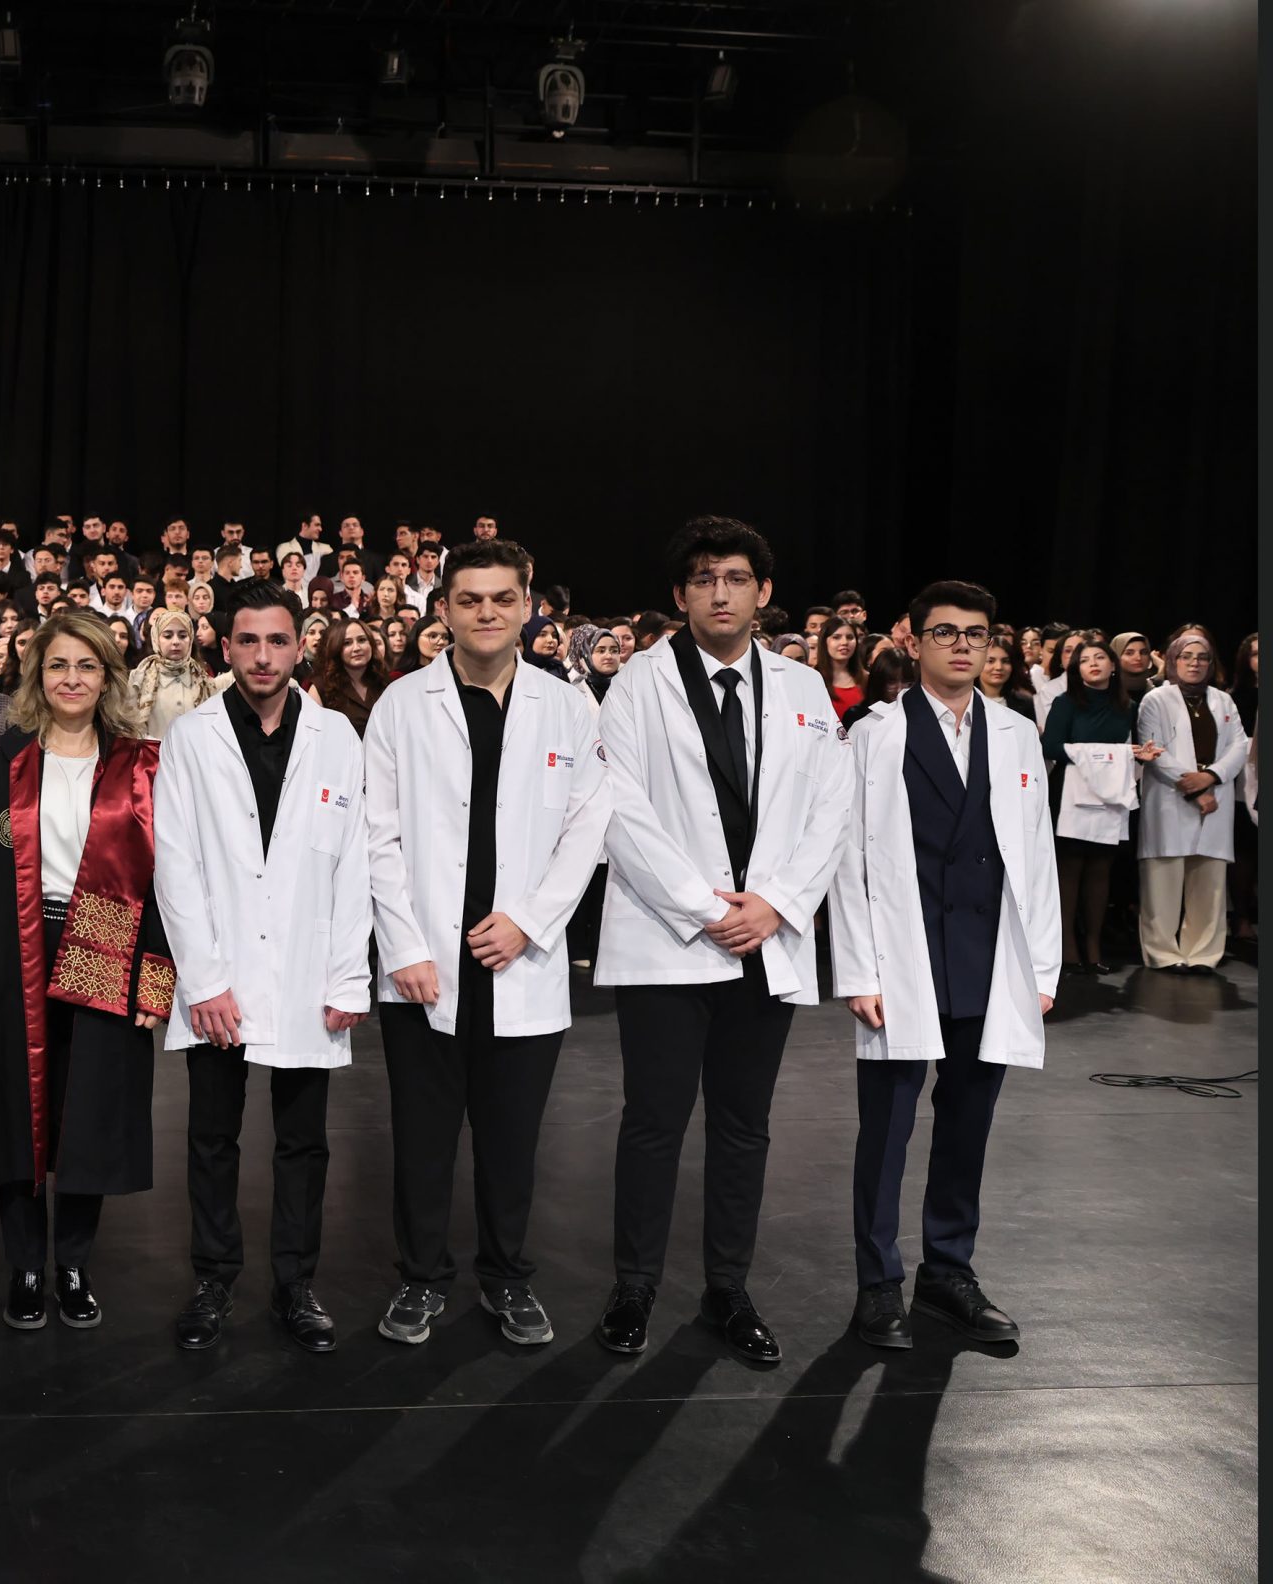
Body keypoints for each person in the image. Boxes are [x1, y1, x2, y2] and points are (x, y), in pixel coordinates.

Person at [593, 517, 852, 1364]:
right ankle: (634, 1287)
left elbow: (831, 808)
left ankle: (728, 1288)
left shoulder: (802, 687)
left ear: (763, 592)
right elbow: (618, 807)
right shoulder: (637, 684)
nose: (720, 592)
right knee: (653, 1122)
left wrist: (775, 904)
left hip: (763, 937)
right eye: (703, 579)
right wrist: (705, 907)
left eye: (736, 578)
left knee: (744, 1126)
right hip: (670, 936)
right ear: (680, 594)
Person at [362, 540, 612, 1349]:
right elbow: (377, 835)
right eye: (469, 599)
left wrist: (530, 922)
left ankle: (507, 1276)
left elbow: (587, 828)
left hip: (521, 957)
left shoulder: (567, 706)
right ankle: (421, 1278)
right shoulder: (402, 704)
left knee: (512, 1140)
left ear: (528, 606)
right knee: (422, 1140)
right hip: (425, 963)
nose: (487, 612)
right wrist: (404, 946)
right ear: (443, 609)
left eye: (503, 598)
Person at [830, 581, 1060, 1349]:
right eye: (946, 632)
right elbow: (850, 860)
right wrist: (858, 970)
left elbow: (1037, 854)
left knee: (967, 1125)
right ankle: (877, 1286)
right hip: (904, 954)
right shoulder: (873, 733)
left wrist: (1042, 969)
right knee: (887, 1130)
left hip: (988, 955)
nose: (963, 646)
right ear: (914, 641)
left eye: (976, 634)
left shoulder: (1016, 732)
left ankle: (947, 1273)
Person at [0, 608, 175, 1331]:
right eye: (58, 665)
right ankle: (25, 1266)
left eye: (86, 666)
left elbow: (167, 880)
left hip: (105, 937)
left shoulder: (142, 764)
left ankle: (72, 1263)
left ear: (108, 677)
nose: (72, 679)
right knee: (15, 1109)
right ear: (37, 675)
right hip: (16, 944)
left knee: (88, 1113)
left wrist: (154, 976)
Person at [153, 582, 372, 1353]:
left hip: (310, 968)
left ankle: (295, 1285)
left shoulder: (337, 736)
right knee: (212, 1137)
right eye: (248, 641)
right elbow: (174, 863)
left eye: (278, 640)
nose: (263, 656)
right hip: (219, 972)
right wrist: (204, 980)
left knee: (303, 1141)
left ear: (299, 646)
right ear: (226, 647)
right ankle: (214, 1280)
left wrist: (349, 975)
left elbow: (354, 863)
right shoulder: (192, 737)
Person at [1134, 632, 1251, 973]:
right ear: (1173, 660)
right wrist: (1196, 788)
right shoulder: (1156, 699)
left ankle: (1203, 953)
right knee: (1163, 881)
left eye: (1202, 657)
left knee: (1210, 882)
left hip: (1215, 797)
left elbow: (1239, 747)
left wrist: (1211, 776)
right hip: (1171, 797)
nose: (1194, 663)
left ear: (1211, 664)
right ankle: (1163, 952)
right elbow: (1154, 750)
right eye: (1186, 656)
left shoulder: (1223, 700)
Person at [1040, 639, 1156, 973]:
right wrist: (1106, 754)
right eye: (1084, 659)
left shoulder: (1127, 706)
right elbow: (1051, 746)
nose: (1092, 663)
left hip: (1110, 794)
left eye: (1099, 657)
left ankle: (1093, 944)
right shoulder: (1066, 702)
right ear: (1076, 669)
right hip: (1071, 793)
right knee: (1070, 869)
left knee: (1100, 870)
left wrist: (1140, 755)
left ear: (1113, 665)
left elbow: (1132, 748)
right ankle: (1067, 945)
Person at [127, 610, 214, 741]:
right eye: (168, 636)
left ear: (190, 639)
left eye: (183, 636)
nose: (176, 642)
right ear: (156, 639)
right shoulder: (139, 676)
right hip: (153, 752)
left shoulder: (201, 676)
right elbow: (130, 725)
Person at [303, 616, 390, 738]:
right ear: (336, 648)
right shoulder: (320, 687)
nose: (357, 648)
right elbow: (310, 736)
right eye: (347, 643)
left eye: (362, 640)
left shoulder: (385, 681)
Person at [569, 624, 625, 709]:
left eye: (614, 651)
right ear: (587, 655)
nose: (609, 656)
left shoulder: (631, 687)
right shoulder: (574, 693)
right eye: (601, 651)